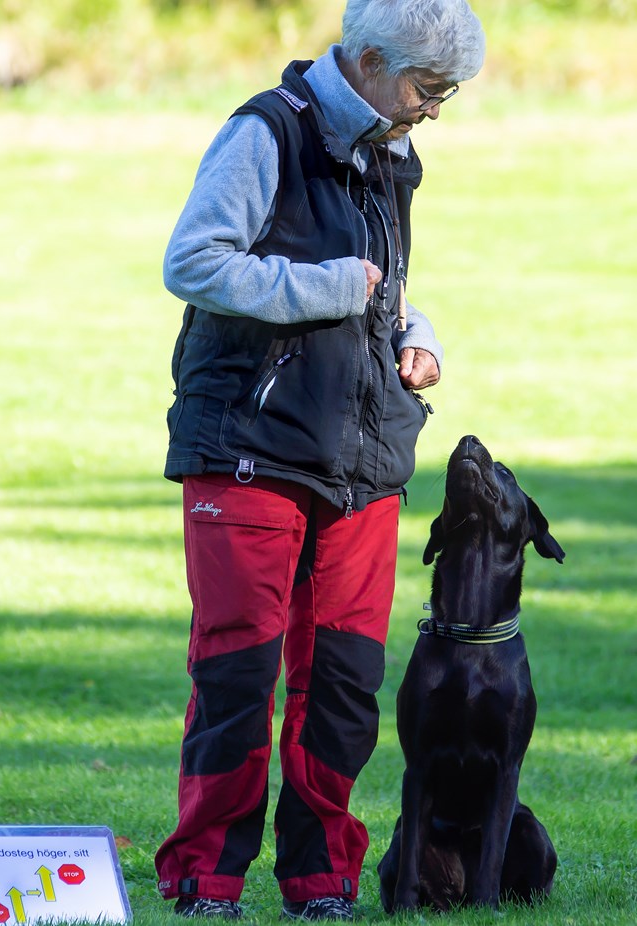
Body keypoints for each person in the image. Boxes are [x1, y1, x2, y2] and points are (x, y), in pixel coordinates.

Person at [155, 0, 485, 920]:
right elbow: (194, 262)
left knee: (343, 683)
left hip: (363, 460)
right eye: (428, 87)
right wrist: (329, 288)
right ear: (370, 59)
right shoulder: (265, 134)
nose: (434, 108)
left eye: (449, 92)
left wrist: (417, 333)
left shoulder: (390, 149)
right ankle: (206, 883)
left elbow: (385, 285)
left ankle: (322, 884)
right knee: (237, 673)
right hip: (249, 449)